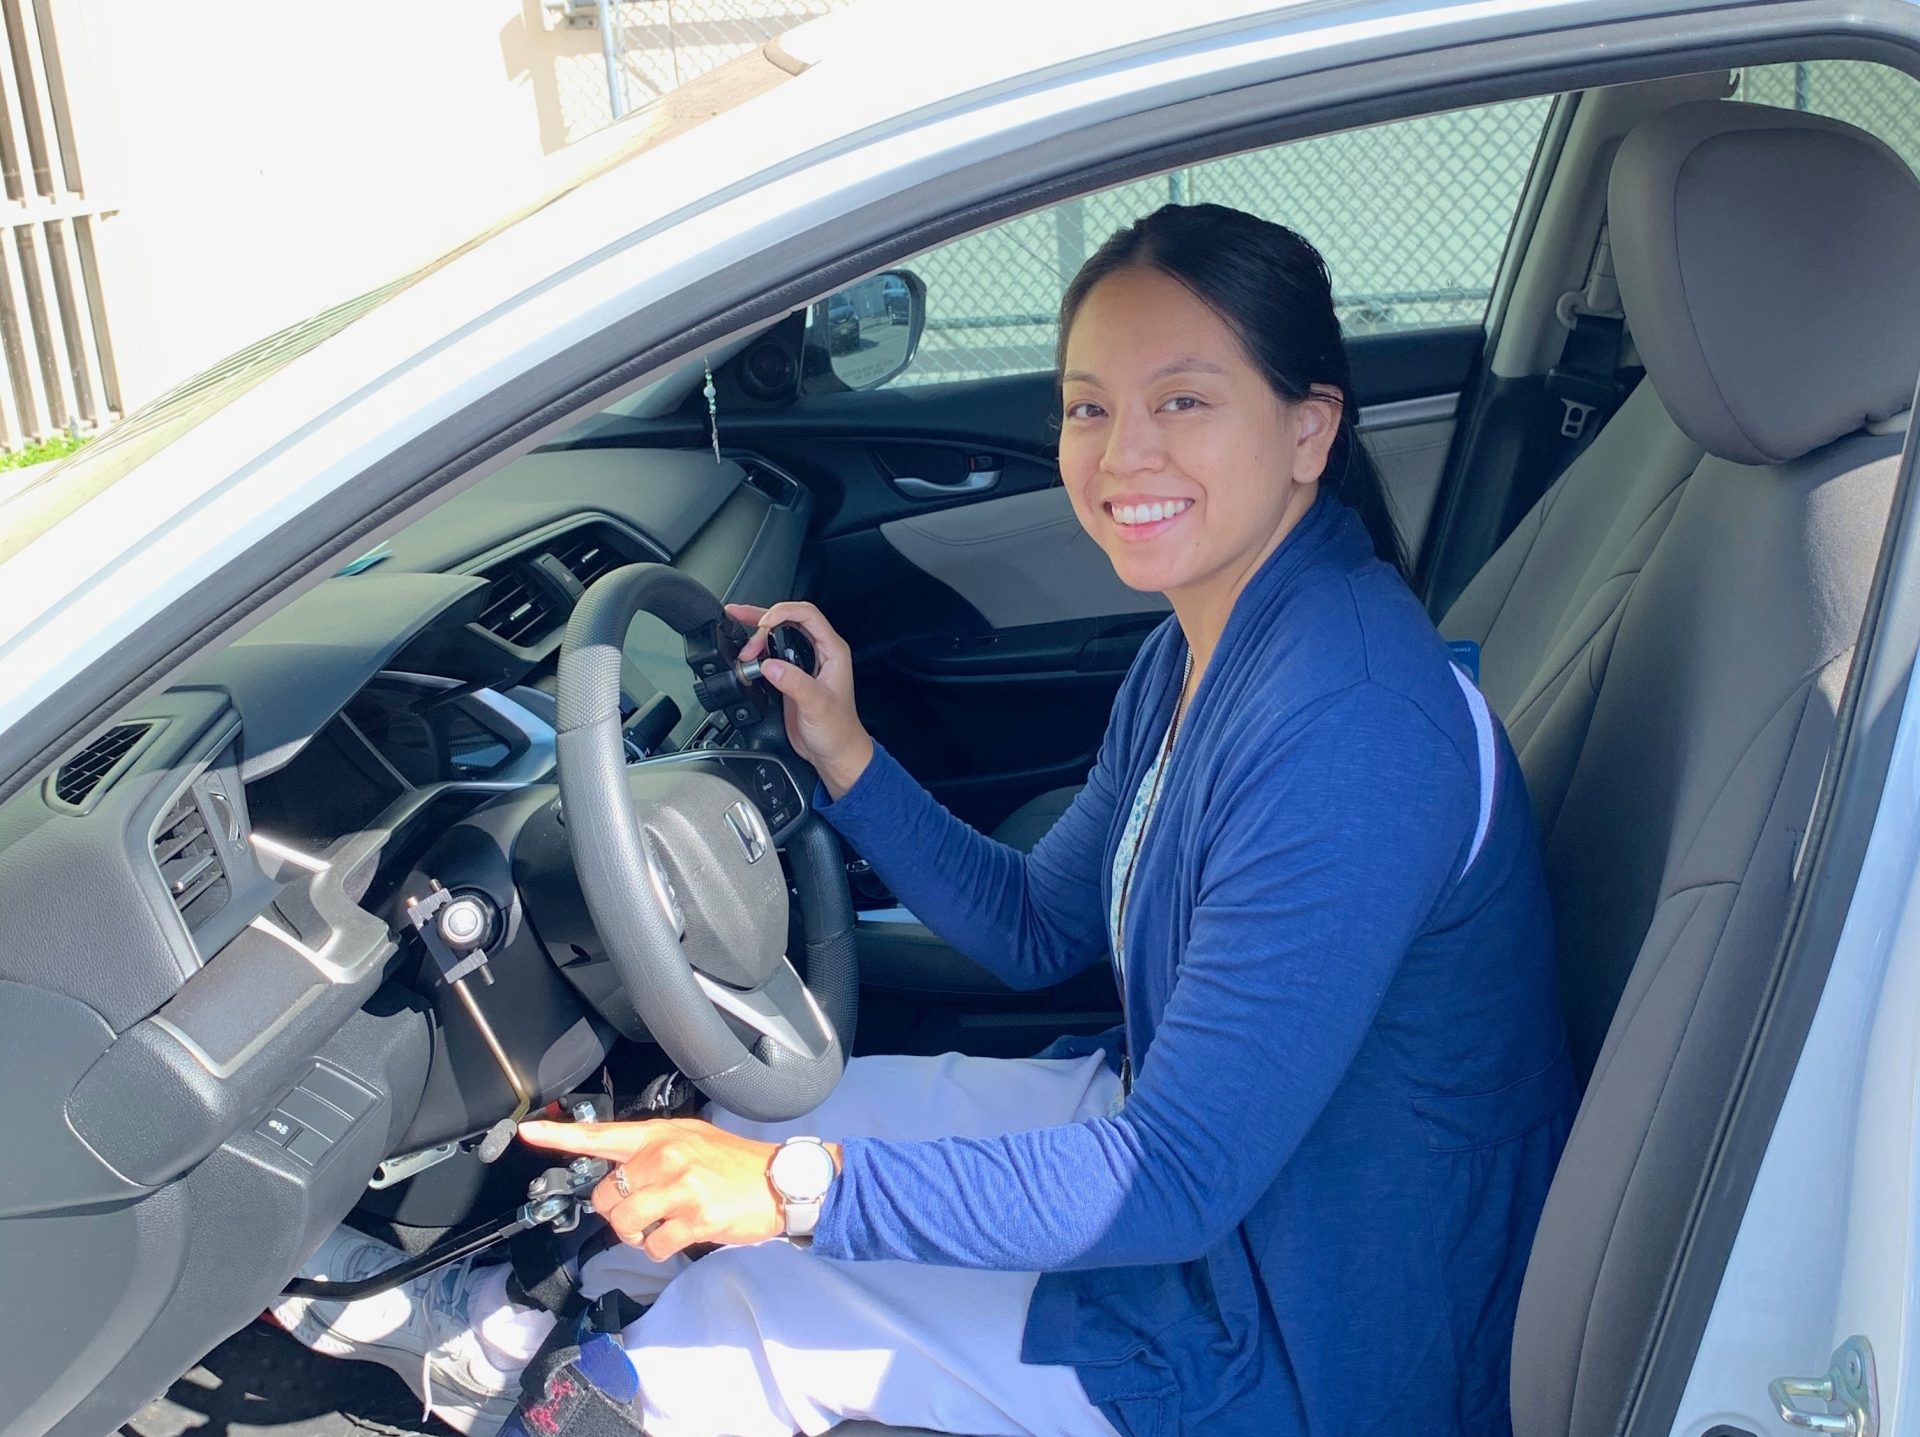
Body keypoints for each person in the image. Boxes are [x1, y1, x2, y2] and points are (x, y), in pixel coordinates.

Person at [277, 203, 1576, 1437]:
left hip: (1308, 1327)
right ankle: (510, 1325)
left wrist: (785, 1203)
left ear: (1308, 429)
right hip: (1243, 1176)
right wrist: (843, 751)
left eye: (1183, 401)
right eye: (1089, 407)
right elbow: (1034, 923)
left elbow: (1171, 1181)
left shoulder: (1347, 727)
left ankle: (575, 1392)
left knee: (752, 1289)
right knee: (769, 1127)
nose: (1124, 454)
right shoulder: (1211, 645)